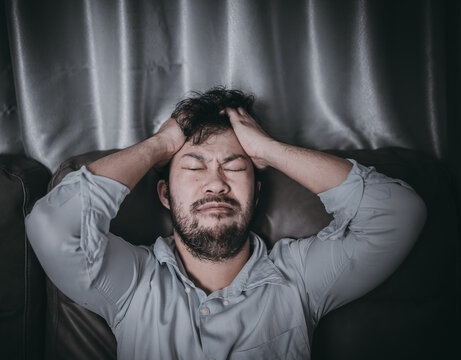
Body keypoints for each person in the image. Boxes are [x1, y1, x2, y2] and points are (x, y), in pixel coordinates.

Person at [25, 88, 426, 359]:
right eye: (195, 167)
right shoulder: (131, 283)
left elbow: (399, 213)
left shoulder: (300, 278)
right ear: (165, 194)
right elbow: (53, 225)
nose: (215, 183)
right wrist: (159, 146)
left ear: (257, 192)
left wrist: (268, 149)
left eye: (235, 167)